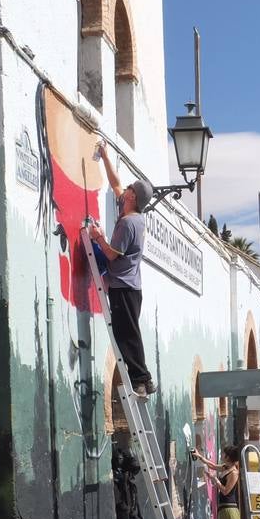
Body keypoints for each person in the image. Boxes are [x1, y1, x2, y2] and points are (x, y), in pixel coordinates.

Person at [88, 141, 155, 395]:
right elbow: (116, 183)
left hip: (124, 288)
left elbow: (112, 255)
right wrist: (105, 155)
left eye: (129, 189)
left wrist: (97, 237)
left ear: (132, 197)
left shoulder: (129, 223)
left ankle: (141, 379)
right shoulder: (130, 212)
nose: (124, 189)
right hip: (129, 287)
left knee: (126, 334)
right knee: (128, 331)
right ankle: (143, 378)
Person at [195, 446, 243, 519]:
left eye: (223, 454)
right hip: (223, 508)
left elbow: (226, 491)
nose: (221, 455)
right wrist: (199, 457)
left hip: (229, 509)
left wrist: (215, 480)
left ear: (228, 456)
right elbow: (212, 465)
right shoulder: (226, 467)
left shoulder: (234, 472)